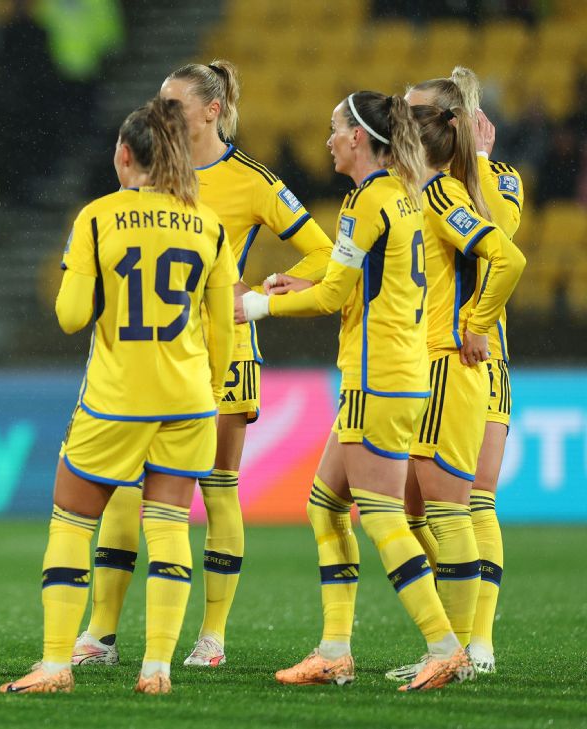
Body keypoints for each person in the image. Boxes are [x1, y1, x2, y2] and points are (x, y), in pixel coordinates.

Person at [74, 59, 334, 669]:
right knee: (120, 492)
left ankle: (211, 637)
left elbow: (327, 254)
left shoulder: (252, 181)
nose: (162, 111)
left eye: (174, 103)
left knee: (216, 490)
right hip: (147, 352)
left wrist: (265, 295)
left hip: (223, 351)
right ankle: (101, 635)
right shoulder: (147, 171)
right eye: (159, 101)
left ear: (212, 111)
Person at [237, 91, 472, 691]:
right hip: (399, 372)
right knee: (325, 505)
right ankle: (335, 651)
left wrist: (259, 305)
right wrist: (301, 279)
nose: (328, 140)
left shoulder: (366, 202)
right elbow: (355, 274)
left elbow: (338, 295)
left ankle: (444, 646)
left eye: (336, 129)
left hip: (379, 377)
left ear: (361, 139)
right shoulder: (400, 195)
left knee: (384, 515)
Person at [0, 98, 234, 696]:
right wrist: (208, 390)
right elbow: (225, 329)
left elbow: (71, 316)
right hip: (189, 399)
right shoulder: (208, 223)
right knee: (171, 525)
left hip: (115, 398)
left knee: (72, 520)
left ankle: (56, 664)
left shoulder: (98, 217)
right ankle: (157, 667)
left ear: (124, 155)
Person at [379, 99, 525, 684]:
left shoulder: (464, 188)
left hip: (463, 358)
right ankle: (461, 640)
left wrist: (477, 322)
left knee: (462, 504)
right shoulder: (441, 192)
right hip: (450, 358)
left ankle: (469, 645)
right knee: (423, 507)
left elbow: (504, 245)